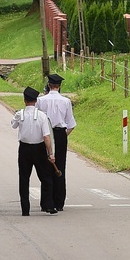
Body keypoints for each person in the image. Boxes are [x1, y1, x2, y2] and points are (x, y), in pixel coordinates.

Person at [11, 87, 57, 216]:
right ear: (36, 101)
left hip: (24, 148)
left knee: (24, 178)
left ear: (24, 100)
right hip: (39, 148)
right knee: (46, 177)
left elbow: (13, 125)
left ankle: (25, 209)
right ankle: (49, 205)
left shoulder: (20, 114)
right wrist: (50, 153)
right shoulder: (42, 116)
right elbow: (46, 137)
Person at [35, 73, 77, 211]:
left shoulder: (41, 100)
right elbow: (71, 124)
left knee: (45, 167)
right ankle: (59, 201)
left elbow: (38, 120)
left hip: (45, 133)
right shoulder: (66, 101)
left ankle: (47, 202)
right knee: (60, 166)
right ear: (59, 87)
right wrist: (62, 136)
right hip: (60, 133)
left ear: (48, 85)